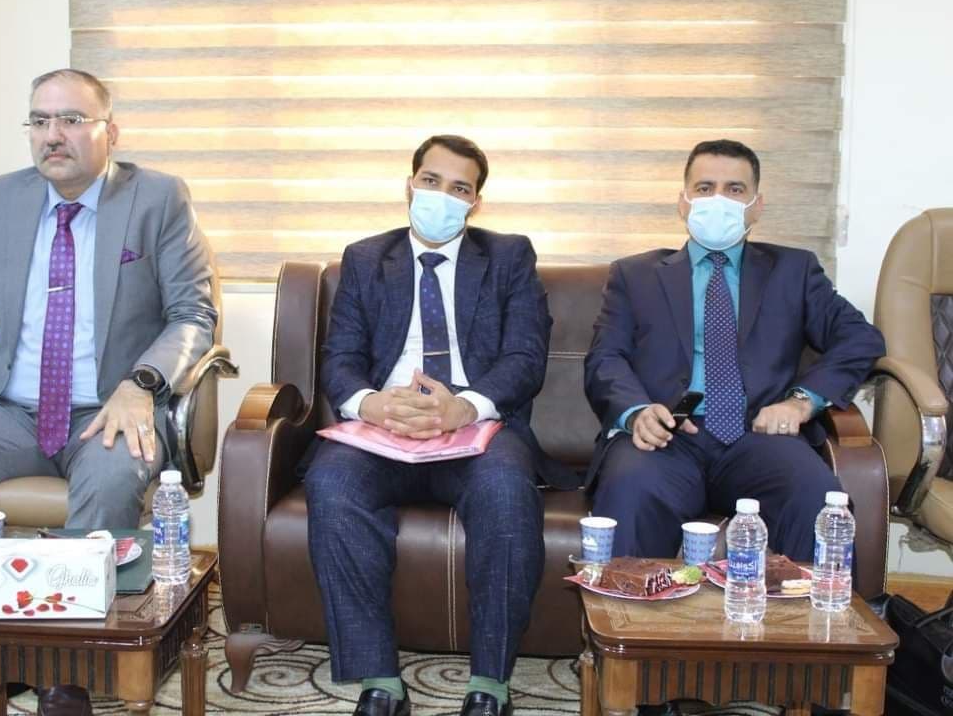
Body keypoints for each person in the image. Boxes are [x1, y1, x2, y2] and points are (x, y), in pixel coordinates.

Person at [0, 68, 217, 716]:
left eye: (71, 120)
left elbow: (192, 315)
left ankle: (68, 668)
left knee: (111, 479)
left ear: (110, 132)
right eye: (39, 120)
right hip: (9, 409)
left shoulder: (157, 198)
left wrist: (141, 385)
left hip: (106, 409)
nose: (52, 135)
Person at [305, 135, 559, 716]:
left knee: (506, 491)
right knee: (331, 484)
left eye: (460, 188)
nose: (442, 195)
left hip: (476, 430)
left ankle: (490, 684)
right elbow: (340, 358)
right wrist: (373, 405)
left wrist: (465, 407)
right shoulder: (366, 258)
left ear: (476, 203)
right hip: (382, 428)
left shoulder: (510, 256)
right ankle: (379, 681)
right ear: (409, 185)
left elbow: (525, 356)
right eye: (431, 180)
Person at [584, 139, 885, 561]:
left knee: (815, 497)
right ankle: (629, 607)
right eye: (705, 188)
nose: (718, 200)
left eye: (735, 190)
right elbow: (605, 358)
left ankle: (810, 607)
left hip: (760, 437)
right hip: (666, 435)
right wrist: (636, 412)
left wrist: (801, 402)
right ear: (684, 202)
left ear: (756, 207)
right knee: (629, 490)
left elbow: (860, 337)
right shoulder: (635, 275)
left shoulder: (794, 271)